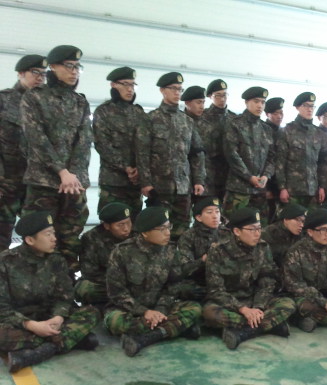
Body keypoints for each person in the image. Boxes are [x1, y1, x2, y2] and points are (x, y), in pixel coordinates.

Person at [20, 45, 92, 273]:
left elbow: (84, 141)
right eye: (69, 66)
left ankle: (66, 287)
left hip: (74, 184)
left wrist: (73, 175)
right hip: (44, 182)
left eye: (77, 67)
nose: (74, 72)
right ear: (53, 67)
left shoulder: (80, 101)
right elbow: (36, 138)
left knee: (70, 241)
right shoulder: (34, 97)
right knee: (39, 241)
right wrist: (62, 171)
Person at [0, 212, 99, 373]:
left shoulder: (56, 260)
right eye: (48, 234)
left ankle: (43, 350)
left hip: (49, 317)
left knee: (92, 312)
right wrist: (31, 325)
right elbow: (2, 308)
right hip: (19, 321)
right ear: (30, 240)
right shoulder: (5, 262)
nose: (54, 239)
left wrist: (58, 317)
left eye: (53, 233)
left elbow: (64, 297)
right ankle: (69, 339)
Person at [104, 207, 202, 357]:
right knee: (115, 321)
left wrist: (161, 309)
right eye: (162, 229)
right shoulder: (122, 252)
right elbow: (117, 293)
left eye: (169, 227)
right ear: (145, 232)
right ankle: (176, 328)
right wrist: (144, 312)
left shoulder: (170, 251)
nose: (168, 233)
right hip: (131, 310)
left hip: (160, 307)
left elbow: (173, 285)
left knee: (195, 308)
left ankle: (148, 337)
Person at [202, 207, 295, 349]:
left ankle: (244, 331)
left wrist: (258, 307)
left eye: (259, 228)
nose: (257, 234)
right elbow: (215, 291)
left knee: (288, 304)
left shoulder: (262, 247)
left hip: (254, 300)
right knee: (209, 313)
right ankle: (269, 325)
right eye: (252, 229)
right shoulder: (218, 251)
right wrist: (243, 309)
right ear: (237, 231)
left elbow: (267, 281)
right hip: (229, 303)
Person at [139, 72, 206, 241]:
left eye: (180, 89)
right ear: (162, 90)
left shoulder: (187, 121)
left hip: (183, 187)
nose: (177, 93)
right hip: (159, 187)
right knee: (158, 230)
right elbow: (142, 153)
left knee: (182, 230)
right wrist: (145, 182)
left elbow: (197, 153)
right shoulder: (151, 119)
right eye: (173, 89)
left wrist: (198, 180)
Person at [0, 54, 47, 251]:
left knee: (40, 234)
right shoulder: (4, 100)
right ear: (20, 74)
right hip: (7, 180)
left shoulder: (46, 104)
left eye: (44, 74)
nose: (40, 78)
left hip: (36, 182)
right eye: (35, 72)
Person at [93, 66, 148, 219]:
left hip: (135, 182)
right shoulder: (103, 111)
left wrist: (140, 170)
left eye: (132, 85)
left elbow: (145, 146)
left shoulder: (139, 112)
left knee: (134, 223)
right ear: (113, 85)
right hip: (113, 181)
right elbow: (102, 144)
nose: (130, 89)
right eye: (125, 84)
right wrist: (126, 167)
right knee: (112, 224)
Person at [222, 86, 275, 225]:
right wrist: (249, 177)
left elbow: (272, 157)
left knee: (259, 229)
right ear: (246, 102)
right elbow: (232, 155)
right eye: (256, 101)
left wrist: (266, 176)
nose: (260, 105)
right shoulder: (234, 124)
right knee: (233, 227)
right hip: (239, 188)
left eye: (263, 102)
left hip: (260, 190)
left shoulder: (266, 129)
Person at [75, 202, 133, 307]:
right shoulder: (91, 238)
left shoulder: (137, 235)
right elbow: (89, 272)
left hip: (134, 281)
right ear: (106, 226)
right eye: (120, 225)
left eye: (128, 223)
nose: (126, 228)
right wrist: (118, 282)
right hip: (107, 282)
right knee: (85, 289)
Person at [276, 92, 325, 209]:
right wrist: (282, 188)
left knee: (313, 220)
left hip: (313, 191)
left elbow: (321, 163)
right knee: (293, 220)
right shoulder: (287, 131)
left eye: (312, 106)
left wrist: (322, 186)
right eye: (306, 105)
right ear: (297, 107)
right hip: (293, 190)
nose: (310, 109)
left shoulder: (318, 133)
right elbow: (280, 162)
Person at [173, 196, 222, 301]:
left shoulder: (226, 233)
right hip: (197, 282)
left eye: (217, 212)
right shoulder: (189, 236)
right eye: (209, 212)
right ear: (199, 217)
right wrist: (203, 260)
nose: (215, 216)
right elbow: (184, 269)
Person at [202, 79, 237, 201]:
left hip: (229, 175)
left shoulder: (234, 119)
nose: (222, 99)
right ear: (210, 96)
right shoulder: (202, 117)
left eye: (225, 95)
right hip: (207, 175)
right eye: (218, 95)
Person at [181, 86, 214, 201]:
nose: (202, 106)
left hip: (206, 182)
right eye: (198, 102)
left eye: (203, 102)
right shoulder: (180, 122)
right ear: (187, 103)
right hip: (183, 180)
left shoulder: (208, 125)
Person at [261, 203, 306, 272]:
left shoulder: (299, 235)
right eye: (298, 220)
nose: (301, 225)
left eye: (303, 221)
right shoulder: (269, 234)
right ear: (285, 219)